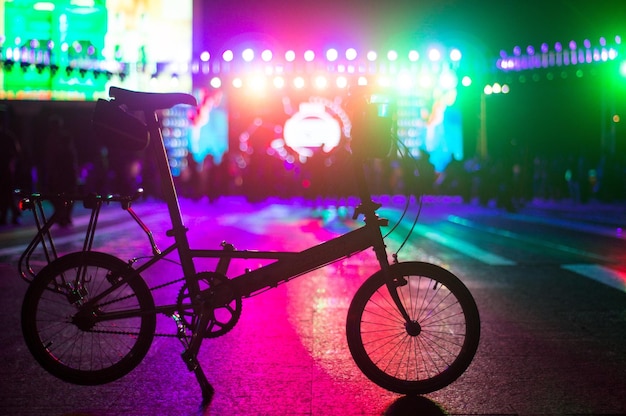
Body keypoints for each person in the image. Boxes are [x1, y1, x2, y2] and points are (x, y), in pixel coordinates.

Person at [44, 115, 78, 227]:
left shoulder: (64, 138)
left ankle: (64, 215)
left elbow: (69, 155)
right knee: (55, 195)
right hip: (58, 173)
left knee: (67, 195)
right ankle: (61, 214)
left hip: (65, 172)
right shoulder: (51, 139)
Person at [0, 121, 21, 225]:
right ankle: (12, 215)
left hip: (6, 170)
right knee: (7, 194)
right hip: (7, 169)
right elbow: (16, 152)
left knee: (6, 193)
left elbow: (16, 153)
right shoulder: (8, 137)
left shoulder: (8, 137)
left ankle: (9, 215)